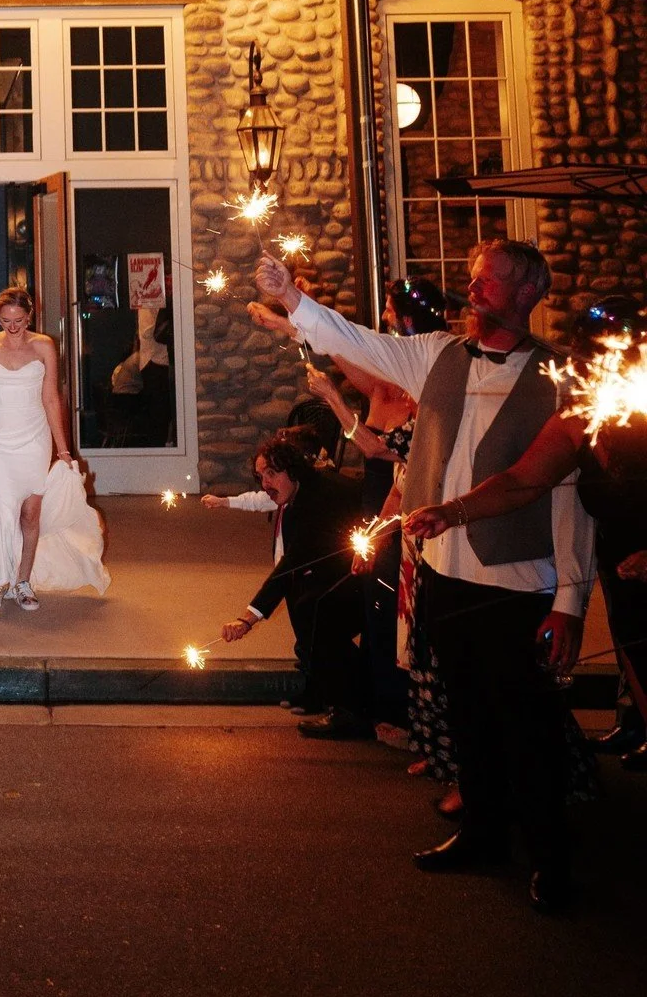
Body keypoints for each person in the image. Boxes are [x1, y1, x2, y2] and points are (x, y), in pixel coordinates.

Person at [255, 238, 595, 913]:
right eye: (472, 280)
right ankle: (483, 834)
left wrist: (570, 601)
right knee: (468, 714)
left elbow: (568, 499)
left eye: (490, 283)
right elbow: (356, 340)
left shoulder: (563, 379)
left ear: (529, 294)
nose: (474, 292)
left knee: (524, 728)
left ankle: (552, 860)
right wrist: (291, 298)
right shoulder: (436, 353)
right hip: (443, 573)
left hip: (517, 584)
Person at [405, 296, 647, 776]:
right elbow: (521, 480)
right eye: (587, 359)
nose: (593, 370)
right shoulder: (586, 416)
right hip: (628, 581)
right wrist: (452, 512)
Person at [0, 288, 106, 613]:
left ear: (29, 316)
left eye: (18, 320)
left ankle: (23, 581)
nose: (12, 326)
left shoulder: (44, 345)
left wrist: (63, 449)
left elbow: (51, 399)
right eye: (5, 320)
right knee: (4, 508)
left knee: (30, 515)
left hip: (34, 438)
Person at [219, 427, 370, 728]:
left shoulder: (319, 498)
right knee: (305, 612)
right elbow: (294, 565)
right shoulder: (302, 492)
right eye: (261, 477)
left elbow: (291, 562)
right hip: (335, 567)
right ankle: (320, 691)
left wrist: (247, 618)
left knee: (318, 620)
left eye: (272, 474)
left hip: (369, 574)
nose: (266, 485)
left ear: (293, 469)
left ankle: (354, 710)